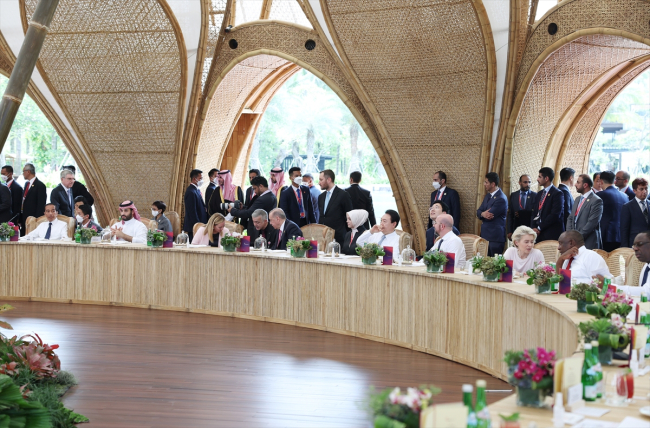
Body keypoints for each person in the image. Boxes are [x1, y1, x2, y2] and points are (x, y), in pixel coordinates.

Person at [229, 176, 276, 241]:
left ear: (261, 186)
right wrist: (243, 207)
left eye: (255, 188)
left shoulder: (262, 199)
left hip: (258, 231)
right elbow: (254, 209)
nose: (255, 191)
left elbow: (249, 213)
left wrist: (232, 211)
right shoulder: (271, 195)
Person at [566, 174, 602, 250]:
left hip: (588, 242)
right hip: (574, 242)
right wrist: (570, 235)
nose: (575, 184)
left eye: (578, 182)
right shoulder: (577, 199)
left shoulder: (596, 200)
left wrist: (577, 238)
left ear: (585, 185)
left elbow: (591, 223)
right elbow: (570, 218)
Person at [318, 169, 354, 244]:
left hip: (339, 238)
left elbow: (350, 216)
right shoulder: (321, 197)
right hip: (323, 238)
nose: (319, 183)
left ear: (329, 180)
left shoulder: (343, 195)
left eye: (321, 180)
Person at [476, 172, 508, 256]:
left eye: (486, 182)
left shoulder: (501, 198)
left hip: (495, 238)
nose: (484, 184)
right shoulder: (488, 196)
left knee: (494, 262)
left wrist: (482, 214)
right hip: (485, 236)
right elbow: (478, 211)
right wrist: (482, 214)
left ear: (493, 184)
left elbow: (489, 215)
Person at [530, 167, 564, 242]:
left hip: (550, 233)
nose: (537, 179)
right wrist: (534, 227)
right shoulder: (539, 194)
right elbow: (534, 212)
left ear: (546, 178)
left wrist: (539, 228)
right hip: (538, 234)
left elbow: (555, 214)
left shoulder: (557, 194)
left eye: (539, 177)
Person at [598, 170, 628, 252]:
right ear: (614, 180)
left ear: (601, 181)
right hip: (621, 235)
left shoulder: (600, 195)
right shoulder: (625, 196)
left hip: (605, 235)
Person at [613, 231, 650, 296]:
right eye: (634, 246)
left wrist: (612, 288)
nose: (635, 249)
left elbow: (647, 292)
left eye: (640, 244)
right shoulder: (646, 266)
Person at [620, 178, 649, 248]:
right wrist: (625, 248)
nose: (644, 191)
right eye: (641, 189)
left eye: (646, 189)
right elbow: (624, 229)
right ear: (634, 191)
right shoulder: (627, 206)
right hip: (635, 243)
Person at [20, 163, 47, 236]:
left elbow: (41, 204)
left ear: (28, 171)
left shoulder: (40, 185)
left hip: (33, 218)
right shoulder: (26, 184)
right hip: (24, 217)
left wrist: (37, 220)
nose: (23, 174)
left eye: (23, 171)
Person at [508, 174, 536, 241]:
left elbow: (535, 213)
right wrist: (509, 231)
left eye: (529, 182)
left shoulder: (535, 196)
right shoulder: (514, 195)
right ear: (519, 183)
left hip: (529, 228)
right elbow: (510, 214)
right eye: (525, 182)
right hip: (516, 228)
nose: (528, 184)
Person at [183, 169, 207, 241]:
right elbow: (192, 211)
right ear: (194, 179)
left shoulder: (196, 190)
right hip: (194, 226)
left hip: (200, 224)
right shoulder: (191, 191)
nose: (201, 180)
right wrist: (198, 225)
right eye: (200, 178)